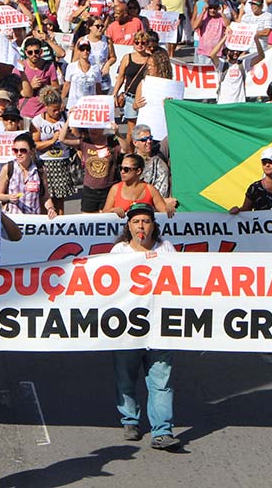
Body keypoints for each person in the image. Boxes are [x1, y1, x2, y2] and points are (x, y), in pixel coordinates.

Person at [110, 203, 181, 450]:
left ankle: (162, 431)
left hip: (160, 326)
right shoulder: (119, 251)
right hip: (127, 328)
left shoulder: (166, 248)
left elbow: (180, 280)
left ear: (153, 225)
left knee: (161, 380)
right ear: (129, 226)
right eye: (136, 221)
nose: (141, 226)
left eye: (146, 221)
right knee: (125, 378)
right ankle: (130, 420)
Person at [0, 133, 57, 217]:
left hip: (33, 219)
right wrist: (9, 197)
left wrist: (50, 209)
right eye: (15, 150)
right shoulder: (8, 168)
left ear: (32, 151)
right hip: (13, 217)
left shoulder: (40, 170)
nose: (19, 153)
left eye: (23, 150)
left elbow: (45, 197)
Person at [102, 153, 174, 217]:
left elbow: (164, 212)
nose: (122, 172)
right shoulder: (115, 189)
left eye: (126, 169)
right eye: (120, 168)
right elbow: (104, 213)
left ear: (138, 171)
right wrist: (113, 210)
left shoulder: (150, 189)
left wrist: (169, 208)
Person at [209, 32, 265, 105]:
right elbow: (212, 55)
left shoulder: (243, 64)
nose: (235, 52)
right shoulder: (222, 64)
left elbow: (261, 56)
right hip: (223, 104)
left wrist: (256, 39)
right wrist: (225, 37)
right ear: (227, 52)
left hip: (239, 104)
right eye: (232, 50)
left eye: (237, 50)